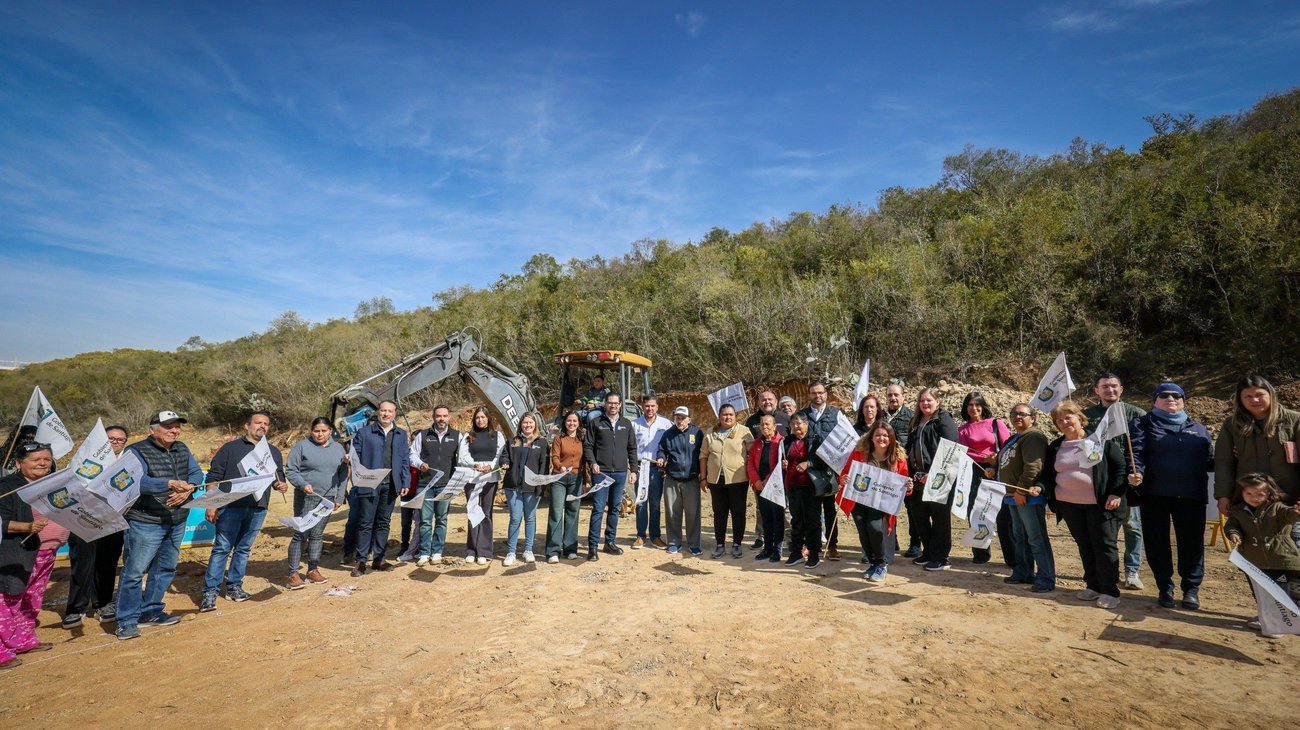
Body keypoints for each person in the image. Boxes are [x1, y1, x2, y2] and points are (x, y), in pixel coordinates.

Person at [116, 410, 202, 641]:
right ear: (152, 429)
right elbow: (134, 481)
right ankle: (126, 620)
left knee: (165, 569)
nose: (174, 430)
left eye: (177, 426)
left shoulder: (182, 448)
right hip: (145, 521)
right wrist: (169, 483)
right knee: (134, 572)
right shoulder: (135, 451)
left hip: (177, 519)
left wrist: (189, 489)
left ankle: (152, 611)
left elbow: (195, 473)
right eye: (168, 426)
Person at [1128, 382, 1214, 610]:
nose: (1171, 399)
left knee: (1192, 544)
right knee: (1157, 543)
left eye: (1177, 395)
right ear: (1155, 400)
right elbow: (1135, 453)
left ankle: (1191, 590)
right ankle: (1165, 587)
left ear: (1183, 400)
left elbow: (1210, 460)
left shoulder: (1198, 428)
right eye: (1164, 395)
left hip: (1191, 495)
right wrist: (1136, 473)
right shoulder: (1142, 424)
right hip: (1155, 495)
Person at [1039, 400, 1127, 610]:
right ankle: (1093, 585)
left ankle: (1110, 590)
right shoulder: (1056, 446)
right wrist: (1040, 487)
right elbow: (1049, 475)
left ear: (1080, 418)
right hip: (1069, 505)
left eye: (1068, 417)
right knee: (1085, 545)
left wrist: (1116, 493)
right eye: (1059, 420)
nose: (1063, 422)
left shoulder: (1099, 441)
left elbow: (1121, 467)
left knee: (1104, 546)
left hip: (1100, 505)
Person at [199, 411, 289, 611]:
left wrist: (280, 485)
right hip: (231, 507)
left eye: (266, 424)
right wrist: (211, 504)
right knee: (222, 548)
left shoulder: (273, 451)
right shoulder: (230, 449)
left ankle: (234, 587)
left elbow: (277, 477)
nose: (262, 426)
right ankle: (210, 592)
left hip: (258, 508)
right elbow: (213, 477)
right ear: (247, 426)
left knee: (243, 549)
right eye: (258, 422)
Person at [62, 424, 130, 629]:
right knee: (82, 564)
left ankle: (103, 603)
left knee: (107, 564)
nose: (116, 442)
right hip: (82, 519)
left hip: (112, 520)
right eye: (111, 438)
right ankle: (76, 609)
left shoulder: (127, 462)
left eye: (120, 440)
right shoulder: (84, 460)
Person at [1085, 373, 1149, 590]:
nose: (1109, 390)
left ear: (1121, 389)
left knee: (1132, 526)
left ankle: (1132, 571)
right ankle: (1106, 569)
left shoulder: (1136, 414)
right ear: (1096, 391)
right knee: (1103, 528)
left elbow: (1145, 447)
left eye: (1114, 386)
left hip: (1129, 479)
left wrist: (1138, 472)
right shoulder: (1087, 415)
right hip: (1100, 478)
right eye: (1105, 387)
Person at [0, 443, 57, 669]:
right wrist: (27, 527)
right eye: (36, 459)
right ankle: (2, 651)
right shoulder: (7, 487)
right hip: (15, 554)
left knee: (31, 599)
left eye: (46, 459)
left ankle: (24, 640)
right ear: (18, 463)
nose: (42, 463)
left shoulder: (52, 482)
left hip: (44, 552)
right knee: (7, 601)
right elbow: (2, 522)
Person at [1223, 473, 1300, 636]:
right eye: (1249, 494)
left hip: (1280, 559)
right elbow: (1231, 526)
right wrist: (1234, 534)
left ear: (1269, 493)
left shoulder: (1277, 508)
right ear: (1241, 493)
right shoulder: (1238, 511)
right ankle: (1268, 619)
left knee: (1280, 592)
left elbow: (1290, 515)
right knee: (1260, 591)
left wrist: (1296, 512)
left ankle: (1282, 623)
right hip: (1254, 562)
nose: (1254, 498)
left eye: (1259, 494)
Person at [1215, 375, 1300, 511]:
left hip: (1288, 499)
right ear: (1240, 399)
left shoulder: (1294, 421)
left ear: (1271, 394)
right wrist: (1223, 495)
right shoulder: (1232, 425)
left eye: (1259, 395)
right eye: (1247, 396)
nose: (1254, 400)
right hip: (1248, 499)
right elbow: (1224, 463)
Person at [347, 400, 411, 577]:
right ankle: (361, 561)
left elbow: (404, 460)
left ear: (394, 414)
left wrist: (405, 482)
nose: (386, 414)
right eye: (383, 411)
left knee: (384, 523)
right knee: (366, 523)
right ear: (378, 412)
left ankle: (379, 559)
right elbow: (355, 456)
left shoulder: (400, 434)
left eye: (389, 411)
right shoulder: (365, 433)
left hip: (390, 486)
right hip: (370, 484)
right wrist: (348, 459)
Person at [840, 421, 910, 583]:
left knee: (875, 528)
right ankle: (872, 563)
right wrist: (844, 479)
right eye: (877, 435)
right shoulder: (860, 452)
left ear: (891, 438)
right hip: (858, 499)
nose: (881, 438)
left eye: (885, 435)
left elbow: (903, 483)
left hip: (880, 503)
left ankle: (881, 563)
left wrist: (909, 486)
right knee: (863, 531)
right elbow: (845, 473)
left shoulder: (898, 458)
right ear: (871, 437)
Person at [284, 417, 348, 589]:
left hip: (327, 500)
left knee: (318, 534)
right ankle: (293, 573)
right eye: (316, 431)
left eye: (324, 431)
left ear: (330, 431)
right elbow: (290, 470)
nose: (320, 434)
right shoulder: (302, 447)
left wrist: (339, 497)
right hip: (306, 497)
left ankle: (313, 569)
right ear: (311, 431)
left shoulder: (338, 448)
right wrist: (303, 484)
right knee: (301, 534)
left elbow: (343, 473)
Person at [997, 404, 1054, 593]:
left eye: (1022, 414)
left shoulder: (1033, 437)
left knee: (1036, 538)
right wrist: (993, 469)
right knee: (1019, 537)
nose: (1017, 417)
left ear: (1033, 418)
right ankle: (1023, 572)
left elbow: (1033, 467)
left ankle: (1045, 578)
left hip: (1027, 497)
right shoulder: (1015, 438)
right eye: (1014, 413)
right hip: (1012, 496)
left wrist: (1021, 490)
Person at [907, 388, 962, 571]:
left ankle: (941, 557)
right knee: (920, 517)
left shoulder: (943, 419)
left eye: (929, 400)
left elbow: (951, 448)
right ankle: (929, 552)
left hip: (939, 477)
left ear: (937, 401)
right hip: (917, 478)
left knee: (940, 518)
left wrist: (935, 474)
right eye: (922, 400)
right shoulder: (916, 421)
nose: (925, 403)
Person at [957, 391, 1012, 565]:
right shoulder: (962, 429)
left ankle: (1012, 557)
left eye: (977, 404)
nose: (974, 408)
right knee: (976, 513)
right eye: (970, 405)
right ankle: (980, 553)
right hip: (975, 472)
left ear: (983, 406)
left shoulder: (996, 423)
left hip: (999, 471)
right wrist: (984, 459)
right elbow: (965, 452)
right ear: (966, 408)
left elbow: (1009, 445)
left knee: (1004, 516)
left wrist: (995, 460)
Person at [582, 393, 638, 561]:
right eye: (610, 403)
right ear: (605, 404)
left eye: (616, 403)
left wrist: (633, 470)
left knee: (614, 508)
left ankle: (609, 542)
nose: (613, 406)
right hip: (601, 473)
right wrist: (593, 463)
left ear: (620, 405)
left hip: (621, 473)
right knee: (598, 509)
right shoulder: (596, 423)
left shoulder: (626, 424)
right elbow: (588, 446)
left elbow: (632, 449)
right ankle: (592, 547)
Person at [411, 405, 465, 566]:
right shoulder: (423, 435)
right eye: (439, 416)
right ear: (433, 417)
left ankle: (437, 552)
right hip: (425, 484)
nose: (442, 419)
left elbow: (463, 457)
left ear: (449, 417)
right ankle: (424, 553)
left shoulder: (457, 436)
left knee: (442, 519)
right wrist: (420, 464)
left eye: (445, 416)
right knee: (425, 520)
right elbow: (412, 454)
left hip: (446, 485)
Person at [701, 403, 754, 559]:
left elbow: (753, 454)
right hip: (716, 480)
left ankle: (737, 544)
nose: (728, 417)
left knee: (738, 512)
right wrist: (703, 478)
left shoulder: (744, 432)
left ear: (735, 416)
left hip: (738, 480)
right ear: (719, 416)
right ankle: (720, 544)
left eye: (731, 414)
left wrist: (753, 475)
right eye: (725, 414)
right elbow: (703, 456)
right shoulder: (710, 433)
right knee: (719, 513)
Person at [782, 414, 834, 568]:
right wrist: (784, 463)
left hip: (811, 487)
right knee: (796, 520)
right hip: (793, 486)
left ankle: (813, 553)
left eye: (800, 423)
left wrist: (809, 463)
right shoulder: (788, 441)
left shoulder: (816, 440)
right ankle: (796, 552)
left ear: (806, 424)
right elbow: (784, 458)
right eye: (794, 424)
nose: (797, 427)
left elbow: (824, 460)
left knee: (813, 521)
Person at [802, 382, 843, 560]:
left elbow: (845, 438)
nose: (817, 396)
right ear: (809, 395)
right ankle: (812, 545)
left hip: (829, 470)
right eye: (813, 393)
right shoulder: (802, 415)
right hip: (808, 470)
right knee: (811, 510)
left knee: (829, 509)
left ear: (826, 394)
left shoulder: (836, 414)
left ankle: (832, 545)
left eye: (820, 392)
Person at [501, 413, 548, 566]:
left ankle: (528, 550)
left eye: (530, 423)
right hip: (513, 486)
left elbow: (543, 467)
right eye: (525, 423)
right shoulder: (513, 441)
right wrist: (505, 462)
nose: (527, 425)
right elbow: (504, 456)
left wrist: (541, 488)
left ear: (535, 424)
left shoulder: (541, 443)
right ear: (520, 424)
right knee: (515, 519)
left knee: (530, 518)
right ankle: (511, 552)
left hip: (532, 488)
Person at [460, 406, 505, 565]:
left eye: (483, 417)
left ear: (488, 418)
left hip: (490, 478)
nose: (480, 420)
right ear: (474, 420)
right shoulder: (468, 436)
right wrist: (476, 465)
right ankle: (472, 550)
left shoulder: (497, 435)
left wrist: (490, 466)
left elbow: (500, 454)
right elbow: (462, 456)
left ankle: (484, 551)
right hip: (472, 479)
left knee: (486, 513)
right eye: (478, 417)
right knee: (473, 512)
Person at [657, 406, 705, 556]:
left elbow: (703, 454)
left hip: (691, 479)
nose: (680, 420)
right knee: (672, 512)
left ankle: (694, 544)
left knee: (693, 513)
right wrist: (661, 458)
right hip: (672, 479)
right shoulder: (668, 434)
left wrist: (703, 476)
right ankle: (674, 542)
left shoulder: (697, 433)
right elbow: (661, 449)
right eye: (677, 417)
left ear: (689, 419)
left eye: (683, 417)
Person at [633, 396, 673, 549]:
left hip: (657, 469)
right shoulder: (634, 424)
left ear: (657, 407)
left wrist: (666, 463)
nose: (650, 409)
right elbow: (630, 447)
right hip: (640, 467)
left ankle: (655, 536)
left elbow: (671, 445)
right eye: (647, 406)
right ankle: (640, 536)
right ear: (643, 407)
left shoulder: (666, 424)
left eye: (652, 406)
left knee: (655, 504)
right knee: (641, 502)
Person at [884, 383, 919, 556]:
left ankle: (915, 543)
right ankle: (891, 540)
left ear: (904, 396)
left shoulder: (912, 417)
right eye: (890, 395)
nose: (893, 398)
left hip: (906, 470)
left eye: (896, 395)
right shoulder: (881, 417)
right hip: (885, 471)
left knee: (912, 509)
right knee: (887, 507)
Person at [546, 411, 585, 563]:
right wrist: (560, 466)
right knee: (556, 512)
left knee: (573, 512)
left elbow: (585, 461)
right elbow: (554, 456)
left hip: (576, 479)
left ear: (578, 423)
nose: (572, 423)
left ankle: (570, 549)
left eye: (574, 421)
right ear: (565, 422)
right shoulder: (558, 438)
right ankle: (553, 551)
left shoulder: (582, 440)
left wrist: (585, 482)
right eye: (569, 420)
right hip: (559, 479)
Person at [746, 415, 785, 563]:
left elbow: (780, 464)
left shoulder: (781, 442)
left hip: (774, 486)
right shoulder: (757, 443)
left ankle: (777, 549)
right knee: (766, 519)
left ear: (775, 426)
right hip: (760, 487)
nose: (765, 427)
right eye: (762, 424)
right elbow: (750, 462)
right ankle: (767, 548)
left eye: (768, 424)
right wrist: (756, 480)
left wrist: (767, 480)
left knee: (777, 519)